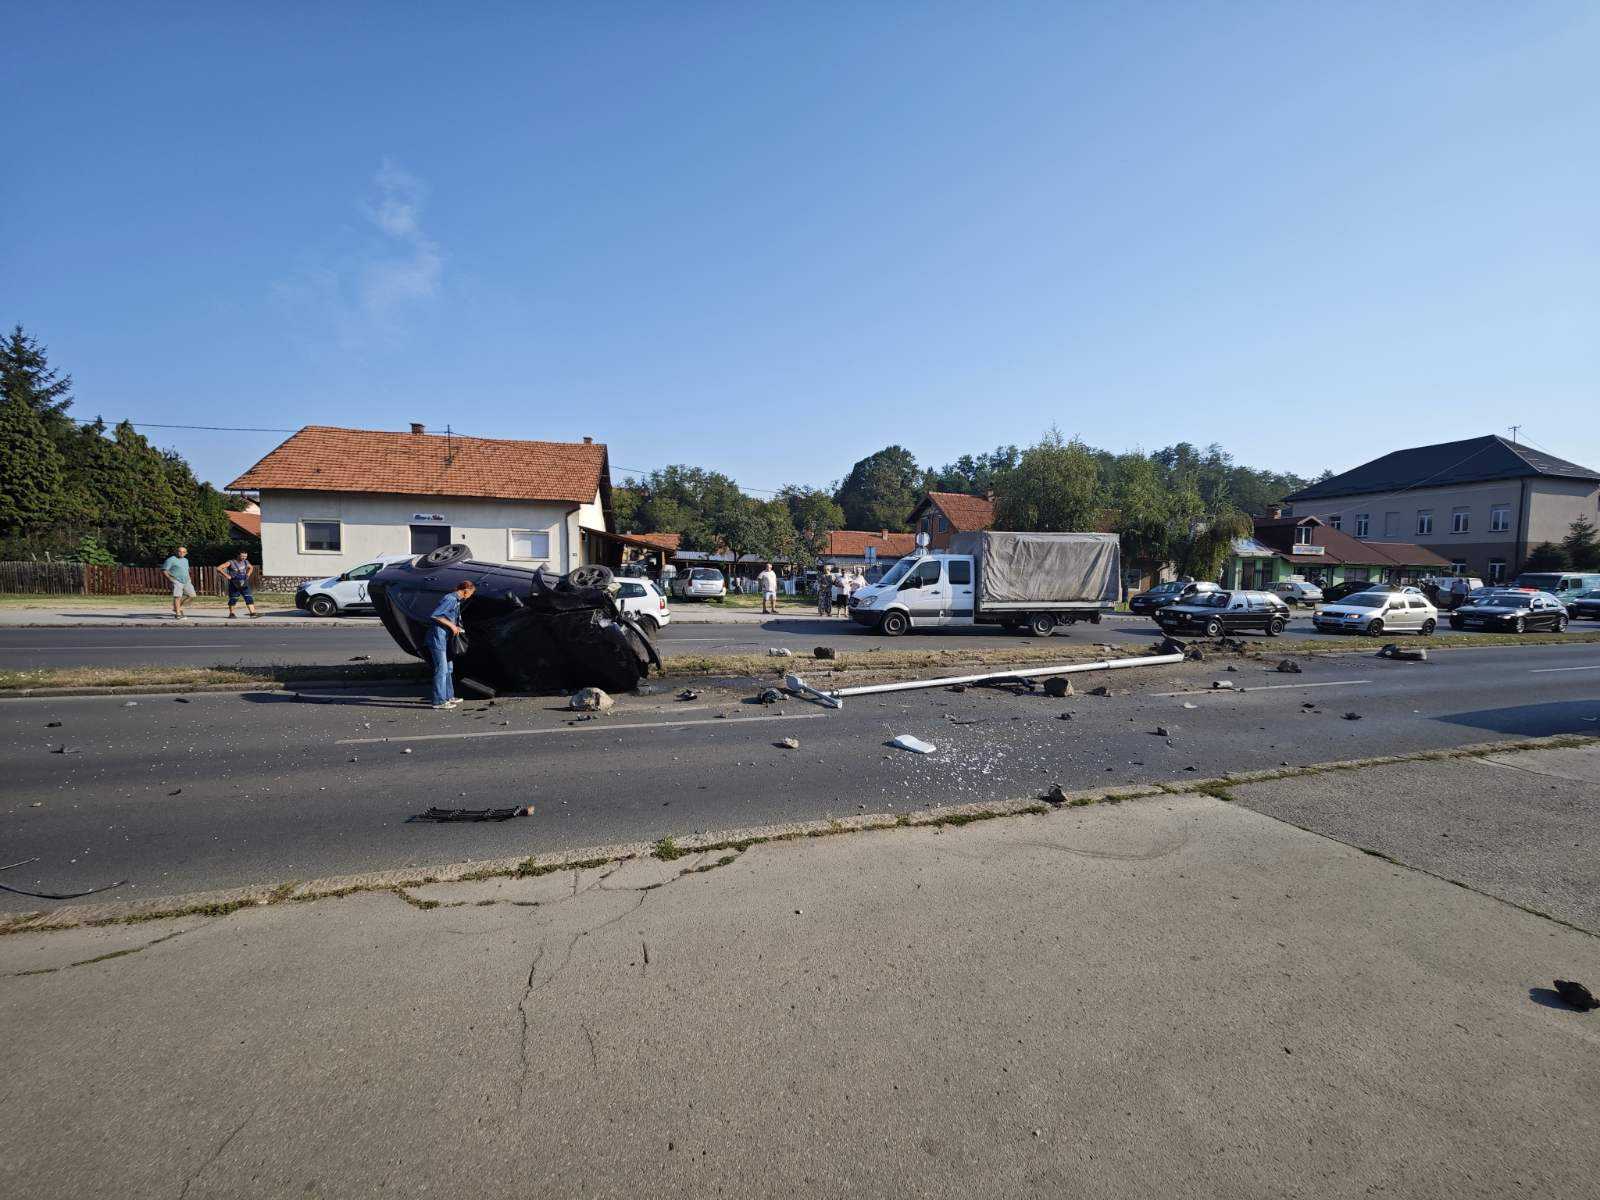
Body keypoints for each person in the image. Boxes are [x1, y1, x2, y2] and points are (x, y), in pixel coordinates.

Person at [426, 579, 475, 710]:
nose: (470, 596)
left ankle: (449, 696)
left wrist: (458, 628)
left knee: (449, 669)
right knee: (441, 670)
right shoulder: (450, 599)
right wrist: (453, 626)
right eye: (471, 593)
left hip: (446, 639)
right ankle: (438, 701)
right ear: (465, 591)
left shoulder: (456, 601)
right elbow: (435, 616)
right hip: (438, 639)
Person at [217, 550, 260, 618]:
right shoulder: (230, 562)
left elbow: (251, 567)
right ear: (238, 555)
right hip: (234, 583)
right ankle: (231, 613)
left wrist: (248, 574)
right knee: (233, 599)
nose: (244, 558)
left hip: (244, 582)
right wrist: (227, 576)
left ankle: (252, 613)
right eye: (242, 556)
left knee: (248, 597)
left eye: (245, 556)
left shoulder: (246, 562)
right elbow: (219, 568)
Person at [162, 546, 195, 620]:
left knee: (192, 595)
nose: (181, 553)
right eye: (180, 551)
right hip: (176, 580)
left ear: (186, 553)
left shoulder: (186, 560)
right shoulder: (171, 559)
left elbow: (187, 570)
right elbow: (164, 570)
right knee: (177, 596)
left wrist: (189, 578)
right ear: (176, 552)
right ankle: (178, 614)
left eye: (183, 552)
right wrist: (170, 579)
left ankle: (178, 608)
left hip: (186, 580)